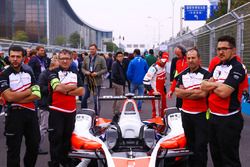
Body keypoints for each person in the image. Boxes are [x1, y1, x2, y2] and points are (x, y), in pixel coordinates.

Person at [201, 35, 245, 167]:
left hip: (229, 120)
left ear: (234, 50)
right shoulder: (217, 66)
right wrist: (217, 85)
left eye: (225, 48)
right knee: (216, 157)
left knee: (230, 160)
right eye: (219, 49)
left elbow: (225, 92)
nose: (221, 52)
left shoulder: (238, 67)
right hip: (213, 118)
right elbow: (203, 86)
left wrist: (213, 85)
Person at [0, 45, 41, 167]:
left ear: (23, 57)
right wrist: (28, 92)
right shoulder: (3, 75)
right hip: (14, 115)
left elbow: (37, 94)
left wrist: (18, 97)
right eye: (12, 56)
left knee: (34, 146)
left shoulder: (28, 71)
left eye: (18, 56)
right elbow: (9, 98)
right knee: (13, 150)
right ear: (9, 57)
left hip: (31, 114)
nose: (15, 59)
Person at [47, 49, 84, 167]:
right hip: (56, 110)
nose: (64, 61)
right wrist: (72, 88)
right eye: (62, 58)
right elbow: (57, 88)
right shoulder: (53, 72)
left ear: (71, 59)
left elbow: (82, 91)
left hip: (71, 111)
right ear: (58, 59)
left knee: (67, 139)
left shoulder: (75, 73)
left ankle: (65, 161)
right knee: (55, 139)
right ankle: (54, 163)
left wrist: (66, 90)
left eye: (67, 58)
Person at [175, 48, 210, 167]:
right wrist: (194, 93)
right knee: (189, 145)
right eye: (188, 58)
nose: (190, 60)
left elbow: (203, 94)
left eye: (193, 58)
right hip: (186, 114)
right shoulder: (182, 74)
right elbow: (178, 93)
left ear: (199, 59)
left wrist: (186, 93)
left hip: (201, 115)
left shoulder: (206, 74)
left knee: (201, 145)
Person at [37, 55, 60, 155]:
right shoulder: (44, 74)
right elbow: (41, 88)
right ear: (53, 65)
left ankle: (55, 146)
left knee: (53, 126)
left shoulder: (56, 74)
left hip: (53, 104)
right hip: (45, 104)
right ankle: (36, 146)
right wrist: (53, 88)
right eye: (58, 66)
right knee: (44, 127)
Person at [81, 44, 107, 115]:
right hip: (87, 80)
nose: (91, 50)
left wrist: (97, 73)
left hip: (96, 81)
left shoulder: (101, 58)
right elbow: (82, 68)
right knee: (84, 97)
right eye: (90, 49)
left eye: (93, 49)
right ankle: (84, 112)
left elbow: (105, 69)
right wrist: (86, 72)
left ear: (96, 49)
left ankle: (96, 114)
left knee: (96, 99)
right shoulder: (86, 58)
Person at [143, 52, 169, 118]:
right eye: (163, 60)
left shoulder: (164, 67)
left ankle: (162, 127)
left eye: (165, 61)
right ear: (158, 58)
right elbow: (145, 81)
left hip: (162, 93)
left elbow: (163, 81)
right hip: (156, 94)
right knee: (157, 114)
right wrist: (152, 92)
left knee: (164, 111)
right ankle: (156, 127)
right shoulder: (154, 68)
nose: (164, 62)